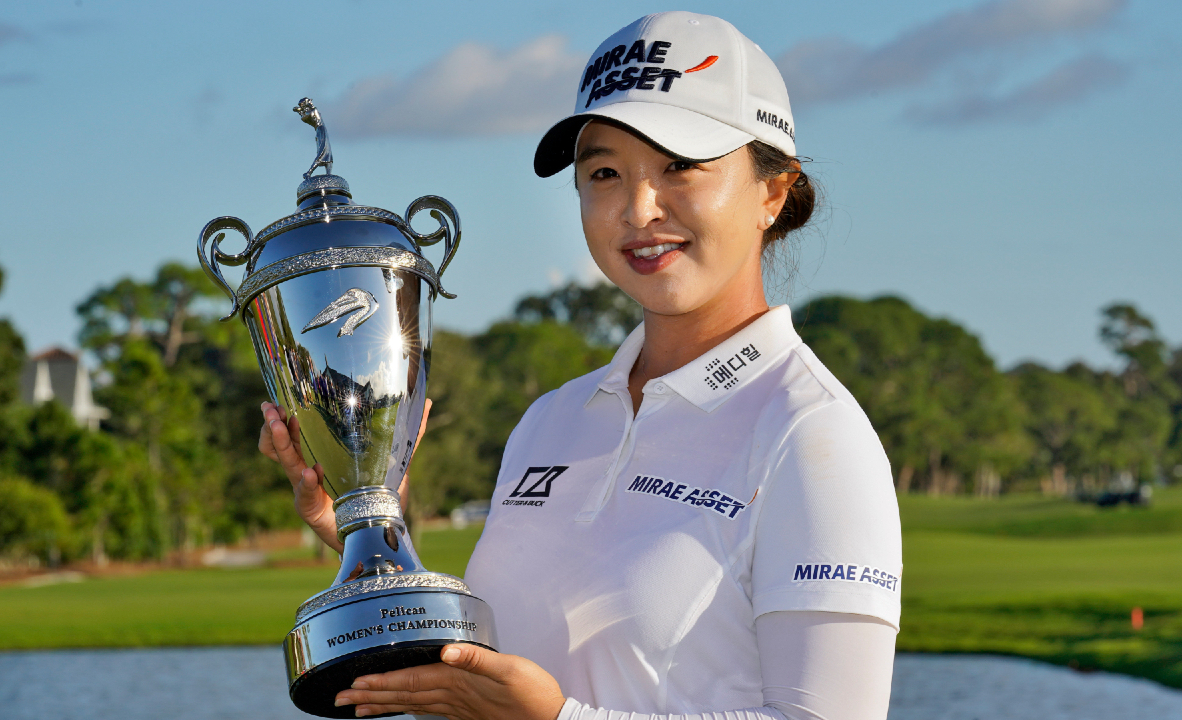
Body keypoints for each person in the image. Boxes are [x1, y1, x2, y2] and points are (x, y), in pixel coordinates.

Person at [259, 11, 901, 720]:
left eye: (680, 166)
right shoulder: (551, 420)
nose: (638, 207)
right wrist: (359, 524)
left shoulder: (813, 434)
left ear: (772, 193)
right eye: (604, 172)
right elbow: (499, 661)